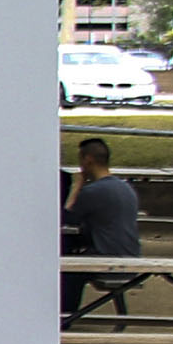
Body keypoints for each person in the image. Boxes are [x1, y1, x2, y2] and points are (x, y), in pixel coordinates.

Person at [62, 137, 142, 322]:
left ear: (88, 160)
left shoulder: (94, 191)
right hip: (130, 255)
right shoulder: (125, 187)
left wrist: (76, 187)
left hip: (109, 258)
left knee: (68, 268)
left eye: (80, 161)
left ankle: (65, 318)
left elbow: (66, 219)